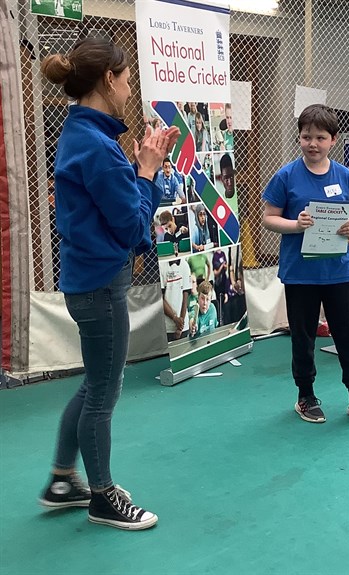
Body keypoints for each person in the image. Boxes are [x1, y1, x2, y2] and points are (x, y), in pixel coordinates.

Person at [38, 37, 180, 530]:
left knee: (94, 384)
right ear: (108, 80)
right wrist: (146, 172)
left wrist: (139, 172)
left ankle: (62, 480)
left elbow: (120, 219)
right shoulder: (96, 145)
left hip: (90, 279)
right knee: (104, 389)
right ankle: (101, 496)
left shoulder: (86, 136)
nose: (129, 88)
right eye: (126, 78)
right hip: (100, 284)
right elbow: (133, 228)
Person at [262, 104, 349, 427]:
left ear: (333, 140)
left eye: (320, 137)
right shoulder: (285, 176)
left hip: (338, 271)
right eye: (306, 136)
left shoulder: (344, 175)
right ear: (299, 137)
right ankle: (306, 396)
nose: (312, 143)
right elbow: (269, 218)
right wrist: (295, 225)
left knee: (346, 335)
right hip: (300, 273)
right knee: (303, 337)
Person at [159, 257, 191, 341]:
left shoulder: (185, 265)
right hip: (167, 327)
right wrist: (174, 318)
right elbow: (160, 299)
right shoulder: (161, 265)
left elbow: (185, 297)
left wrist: (180, 326)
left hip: (183, 326)